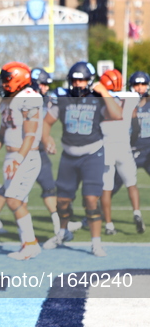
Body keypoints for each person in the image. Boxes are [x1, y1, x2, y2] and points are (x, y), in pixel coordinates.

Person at [0, 68, 82, 236]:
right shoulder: (25, 98)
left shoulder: (29, 98)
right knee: (20, 193)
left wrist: (46, 138)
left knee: (31, 191)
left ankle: (51, 228)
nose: (45, 88)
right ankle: (36, 233)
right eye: (43, 84)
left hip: (29, 151)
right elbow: (24, 130)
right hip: (26, 151)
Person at [41, 61, 123, 257]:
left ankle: (96, 243)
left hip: (92, 154)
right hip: (68, 156)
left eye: (82, 80)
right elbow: (46, 122)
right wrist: (46, 137)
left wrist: (104, 91)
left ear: (90, 81)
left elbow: (117, 114)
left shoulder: (98, 98)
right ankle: (63, 232)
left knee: (91, 200)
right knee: (62, 201)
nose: (78, 84)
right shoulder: (63, 99)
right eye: (75, 80)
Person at [0, 62, 44, 260]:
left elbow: (30, 135)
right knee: (19, 201)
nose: (3, 84)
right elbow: (1, 133)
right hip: (11, 156)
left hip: (26, 156)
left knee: (13, 200)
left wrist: (19, 160)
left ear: (18, 79)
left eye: (7, 80)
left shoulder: (29, 98)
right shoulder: (9, 101)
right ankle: (28, 243)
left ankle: (30, 245)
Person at [97, 69, 143, 235]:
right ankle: (136, 212)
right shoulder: (132, 98)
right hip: (124, 146)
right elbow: (135, 122)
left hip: (107, 147)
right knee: (131, 183)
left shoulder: (101, 100)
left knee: (106, 188)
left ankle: (109, 225)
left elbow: (112, 111)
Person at [112, 70, 150, 234]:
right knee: (111, 186)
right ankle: (94, 215)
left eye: (143, 84)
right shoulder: (123, 103)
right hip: (127, 150)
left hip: (148, 151)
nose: (140, 88)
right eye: (136, 84)